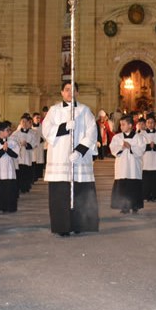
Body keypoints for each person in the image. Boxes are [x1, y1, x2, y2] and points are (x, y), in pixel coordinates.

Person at [42, 80, 99, 236]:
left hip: (79, 160)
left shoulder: (85, 111)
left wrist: (80, 150)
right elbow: (46, 130)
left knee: (80, 192)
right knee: (61, 195)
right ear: (61, 92)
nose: (69, 93)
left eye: (73, 90)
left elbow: (92, 133)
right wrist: (64, 127)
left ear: (77, 93)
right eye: (66, 90)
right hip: (60, 158)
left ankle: (80, 224)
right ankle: (62, 227)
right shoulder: (54, 111)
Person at [110, 114, 146, 214]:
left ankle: (135, 205)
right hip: (122, 166)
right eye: (120, 125)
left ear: (130, 125)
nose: (121, 127)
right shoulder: (117, 137)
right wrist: (121, 147)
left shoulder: (139, 138)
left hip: (134, 167)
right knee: (123, 186)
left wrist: (131, 147)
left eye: (123, 124)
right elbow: (113, 149)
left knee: (134, 185)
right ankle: (123, 206)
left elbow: (141, 150)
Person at [0, 121, 19, 213]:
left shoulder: (13, 142)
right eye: (7, 130)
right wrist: (2, 150)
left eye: (10, 130)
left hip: (9, 171)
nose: (9, 132)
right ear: (1, 131)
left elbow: (16, 155)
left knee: (10, 190)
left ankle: (11, 207)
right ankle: (0, 207)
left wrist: (7, 149)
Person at [11, 114, 37, 194]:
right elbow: (11, 143)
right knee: (19, 172)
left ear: (29, 123)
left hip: (27, 156)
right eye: (23, 122)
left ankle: (25, 187)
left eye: (26, 122)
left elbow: (35, 143)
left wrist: (27, 144)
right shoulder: (16, 133)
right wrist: (19, 144)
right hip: (18, 157)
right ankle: (18, 187)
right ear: (20, 123)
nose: (24, 123)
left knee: (26, 172)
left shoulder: (32, 133)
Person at [32, 112, 45, 180]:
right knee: (34, 160)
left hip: (40, 146)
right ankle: (34, 176)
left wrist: (42, 139)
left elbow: (45, 134)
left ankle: (39, 175)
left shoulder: (42, 126)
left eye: (39, 118)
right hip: (33, 147)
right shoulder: (31, 127)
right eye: (37, 118)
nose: (38, 119)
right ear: (33, 118)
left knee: (40, 160)